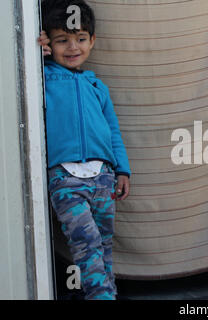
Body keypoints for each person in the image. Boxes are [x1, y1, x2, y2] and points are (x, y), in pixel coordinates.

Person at [38, 0, 131, 300]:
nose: (72, 47)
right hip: (66, 179)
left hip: (103, 177)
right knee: (85, 240)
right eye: (62, 40)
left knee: (103, 244)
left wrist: (122, 170)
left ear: (92, 40)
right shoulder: (44, 78)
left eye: (80, 38)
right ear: (49, 43)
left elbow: (113, 131)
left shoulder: (97, 87)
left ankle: (106, 293)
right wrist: (32, 53)